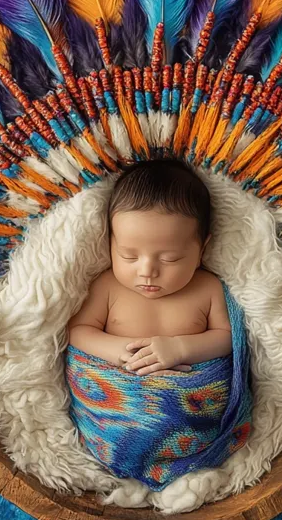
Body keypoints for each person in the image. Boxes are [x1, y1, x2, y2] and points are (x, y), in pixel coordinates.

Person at [67, 159, 233, 376]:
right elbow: (78, 331)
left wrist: (181, 349)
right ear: (110, 243)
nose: (147, 271)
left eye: (170, 258)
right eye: (129, 255)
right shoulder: (107, 286)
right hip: (115, 397)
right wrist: (118, 351)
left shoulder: (208, 288)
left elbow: (227, 338)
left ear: (201, 251)